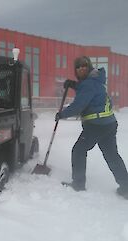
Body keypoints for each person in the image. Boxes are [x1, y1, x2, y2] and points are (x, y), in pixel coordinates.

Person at [55, 56, 128, 199]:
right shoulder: (95, 80)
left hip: (96, 125)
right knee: (112, 155)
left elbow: (78, 106)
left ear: (89, 68)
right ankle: (126, 186)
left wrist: (62, 114)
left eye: (84, 66)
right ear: (76, 70)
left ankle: (78, 184)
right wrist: (75, 85)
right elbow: (88, 90)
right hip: (109, 124)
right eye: (79, 66)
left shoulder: (88, 84)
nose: (82, 68)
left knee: (78, 150)